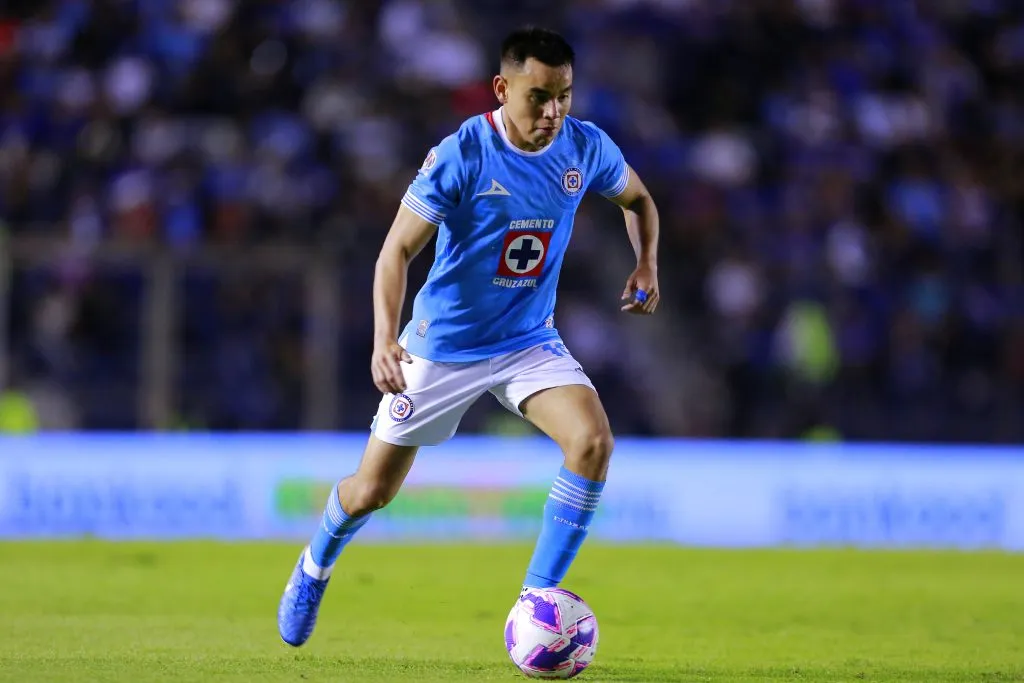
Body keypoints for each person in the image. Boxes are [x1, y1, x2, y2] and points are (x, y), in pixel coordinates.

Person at [278, 26, 660, 647]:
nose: (554, 112)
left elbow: (638, 200)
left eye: (564, 96)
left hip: (528, 341)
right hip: (444, 347)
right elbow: (395, 251)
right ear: (503, 89)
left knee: (592, 442)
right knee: (371, 491)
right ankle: (314, 564)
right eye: (539, 97)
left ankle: (537, 601)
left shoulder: (585, 146)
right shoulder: (462, 155)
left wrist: (646, 264)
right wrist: (384, 339)